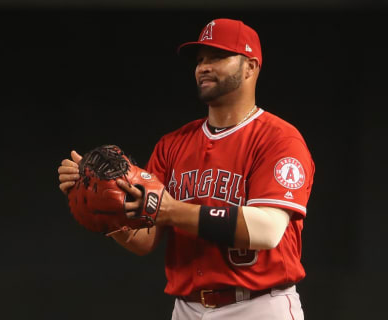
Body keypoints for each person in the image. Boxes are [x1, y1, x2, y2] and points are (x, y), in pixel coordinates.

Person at [58, 18, 314, 320]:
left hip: (258, 306)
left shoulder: (278, 139)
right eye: (200, 59)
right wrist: (106, 208)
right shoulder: (172, 144)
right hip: (187, 308)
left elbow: (267, 230)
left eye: (217, 57)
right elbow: (146, 239)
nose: (203, 67)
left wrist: (171, 211)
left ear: (251, 66)